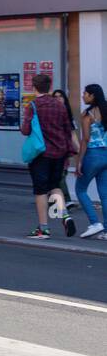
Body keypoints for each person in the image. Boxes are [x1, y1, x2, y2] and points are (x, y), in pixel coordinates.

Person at [20, 72, 77, 238]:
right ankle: (64, 215)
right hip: (59, 153)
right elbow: (67, 129)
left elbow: (26, 130)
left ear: (34, 87)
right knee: (55, 186)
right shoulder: (59, 105)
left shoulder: (33, 106)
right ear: (49, 87)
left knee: (41, 191)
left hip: (41, 153)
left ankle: (43, 228)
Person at [75, 83, 107, 239]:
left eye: (85, 93)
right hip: (106, 154)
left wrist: (79, 161)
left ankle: (95, 223)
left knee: (80, 189)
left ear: (92, 96)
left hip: (93, 154)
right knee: (105, 194)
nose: (83, 96)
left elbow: (85, 139)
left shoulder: (87, 114)